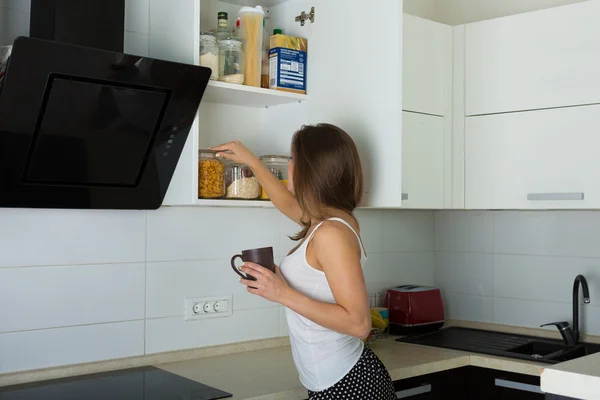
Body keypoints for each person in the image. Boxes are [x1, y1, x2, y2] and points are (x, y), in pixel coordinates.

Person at [212, 124, 396, 400]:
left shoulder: (331, 233)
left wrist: (282, 293)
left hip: (349, 385)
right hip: (336, 381)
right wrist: (251, 161)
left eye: (291, 159)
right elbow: (286, 202)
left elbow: (359, 324)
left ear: (308, 170)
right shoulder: (327, 223)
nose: (289, 167)